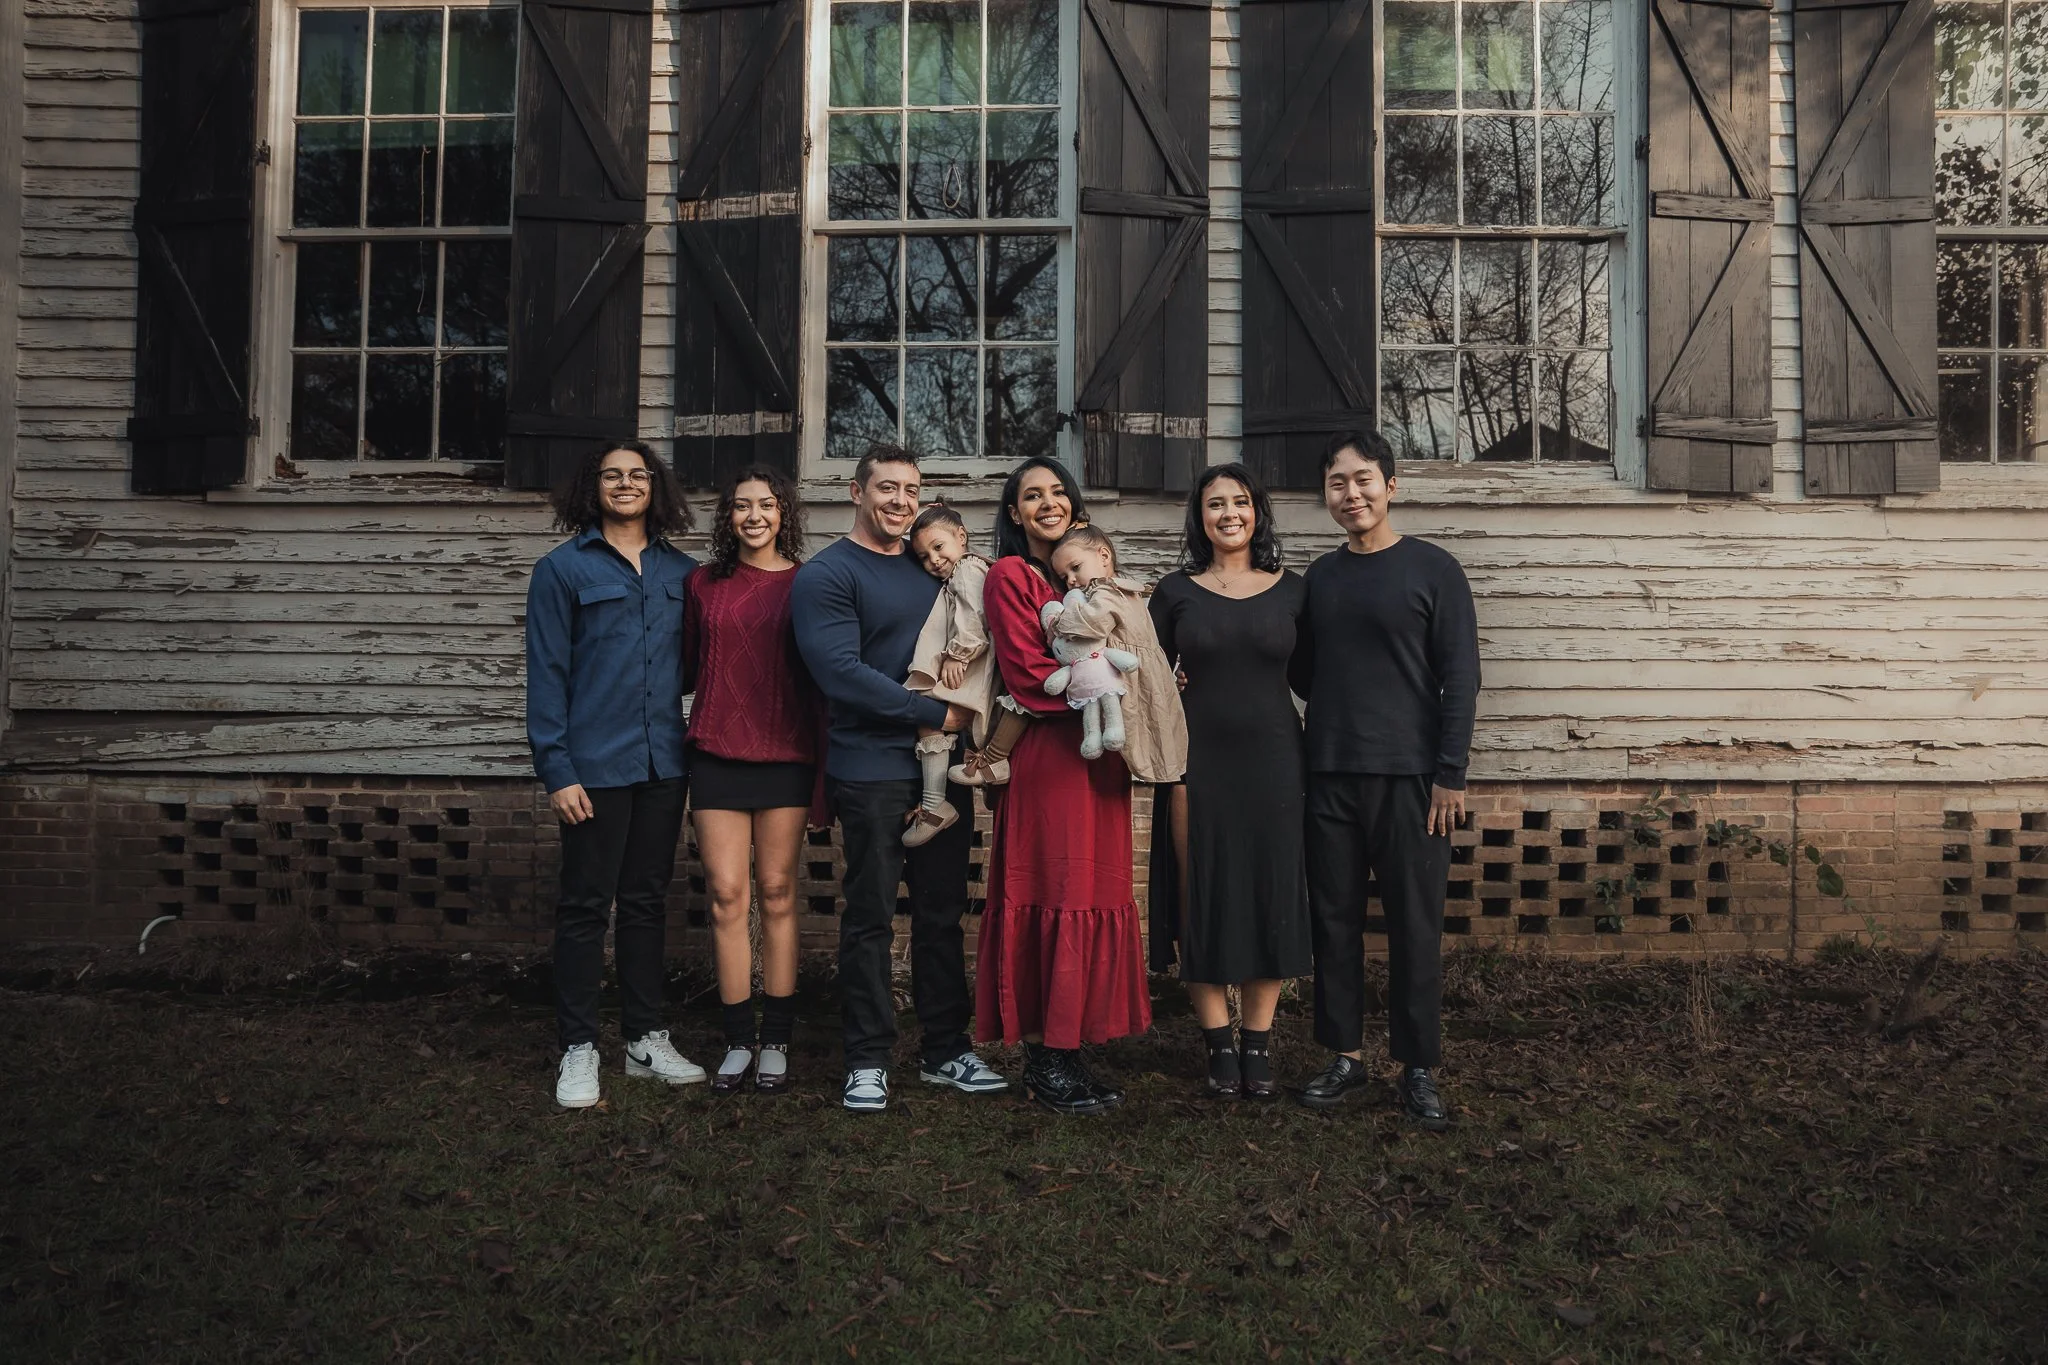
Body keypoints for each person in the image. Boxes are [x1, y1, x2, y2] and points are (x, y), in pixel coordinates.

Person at [790, 445, 1008, 1113]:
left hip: (941, 768)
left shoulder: (933, 568)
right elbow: (841, 676)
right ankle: (866, 1058)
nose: (900, 500)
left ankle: (946, 1049)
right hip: (871, 769)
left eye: (911, 489)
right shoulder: (827, 575)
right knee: (871, 917)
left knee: (943, 913)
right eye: (886, 487)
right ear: (856, 492)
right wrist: (935, 710)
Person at [1293, 430, 1479, 1130]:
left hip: (1413, 782)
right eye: (1338, 483)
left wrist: (1449, 773)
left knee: (1414, 927)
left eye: (1364, 479)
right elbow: (1300, 670)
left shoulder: (1435, 570)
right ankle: (1345, 1055)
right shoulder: (1321, 580)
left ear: (1391, 486)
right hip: (1330, 774)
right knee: (1334, 922)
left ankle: (1419, 1066)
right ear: (1326, 496)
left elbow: (1460, 676)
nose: (1352, 494)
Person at [526, 441, 707, 1109]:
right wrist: (557, 769)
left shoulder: (684, 573)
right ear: (593, 487)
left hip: (664, 762)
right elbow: (547, 676)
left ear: (656, 488)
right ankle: (578, 1047)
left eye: (638, 474)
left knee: (643, 904)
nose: (626, 483)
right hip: (592, 768)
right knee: (583, 907)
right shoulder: (561, 571)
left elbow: (691, 667)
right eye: (612, 475)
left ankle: (643, 1037)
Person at [974, 457, 1151, 1116]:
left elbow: (1137, 647)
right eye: (1030, 495)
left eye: (1057, 492)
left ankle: (1071, 1047)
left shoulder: (1090, 581)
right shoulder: (1011, 576)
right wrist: (1113, 685)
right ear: (1015, 513)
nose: (1046, 502)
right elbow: (1025, 675)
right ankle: (1044, 1059)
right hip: (1049, 759)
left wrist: (1151, 681)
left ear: (1074, 509)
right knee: (1054, 889)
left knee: (1094, 890)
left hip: (1103, 760)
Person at [1146, 464, 1313, 1100]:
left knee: (1270, 894)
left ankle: (1259, 1046)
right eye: (1215, 504)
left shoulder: (1294, 592)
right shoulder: (1174, 592)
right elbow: (1148, 678)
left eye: (1240, 502)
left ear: (1257, 512)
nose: (1228, 514)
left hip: (1275, 760)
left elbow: (1315, 678)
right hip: (1196, 762)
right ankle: (1218, 1046)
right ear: (1200, 518)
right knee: (1202, 897)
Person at [682, 464, 820, 1095]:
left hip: (787, 754)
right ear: (728, 517)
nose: (755, 516)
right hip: (716, 753)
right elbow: (687, 666)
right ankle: (739, 1040)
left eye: (766, 505)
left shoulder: (808, 584)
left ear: (784, 513)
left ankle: (779, 1042)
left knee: (778, 892)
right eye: (742, 506)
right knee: (727, 896)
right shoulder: (702, 585)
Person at [1043, 524, 1186, 785]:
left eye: (1076, 568)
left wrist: (1056, 622)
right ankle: (1160, 767)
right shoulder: (1126, 589)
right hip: (1143, 668)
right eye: (1064, 577)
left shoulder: (1106, 590)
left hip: (1130, 674)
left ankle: (1157, 769)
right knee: (1151, 723)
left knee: (1136, 724)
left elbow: (1092, 622)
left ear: (1104, 556)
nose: (1071, 581)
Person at [902, 504, 998, 847]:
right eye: (925, 557)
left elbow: (974, 615)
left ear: (961, 537)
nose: (934, 560)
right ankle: (940, 798)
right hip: (964, 663)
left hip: (966, 664)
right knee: (935, 720)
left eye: (939, 547)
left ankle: (934, 803)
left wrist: (957, 655)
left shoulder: (968, 569)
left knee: (926, 711)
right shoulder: (956, 573)